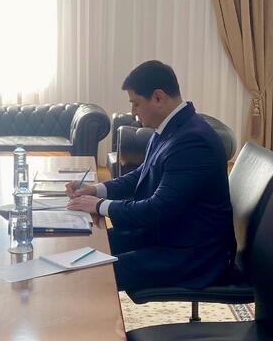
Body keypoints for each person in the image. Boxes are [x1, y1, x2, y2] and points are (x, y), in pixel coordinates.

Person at [66, 60, 235, 292]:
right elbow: (142, 174)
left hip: (192, 256)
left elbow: (157, 209)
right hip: (168, 235)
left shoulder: (193, 141)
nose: (133, 112)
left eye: (135, 103)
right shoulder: (171, 127)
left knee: (89, 272)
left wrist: (99, 205)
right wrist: (97, 190)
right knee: (83, 247)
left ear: (158, 98)